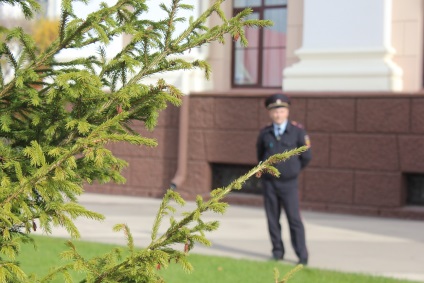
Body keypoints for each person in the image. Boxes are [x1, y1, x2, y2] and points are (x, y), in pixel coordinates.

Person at [256, 93, 312, 265]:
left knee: (294, 219)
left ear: (287, 111)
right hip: (269, 183)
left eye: (281, 111)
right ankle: (277, 251)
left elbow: (306, 156)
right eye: (274, 111)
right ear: (269, 113)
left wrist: (292, 171)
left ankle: (302, 255)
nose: (278, 114)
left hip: (289, 184)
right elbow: (260, 155)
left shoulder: (297, 132)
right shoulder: (265, 133)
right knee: (273, 219)